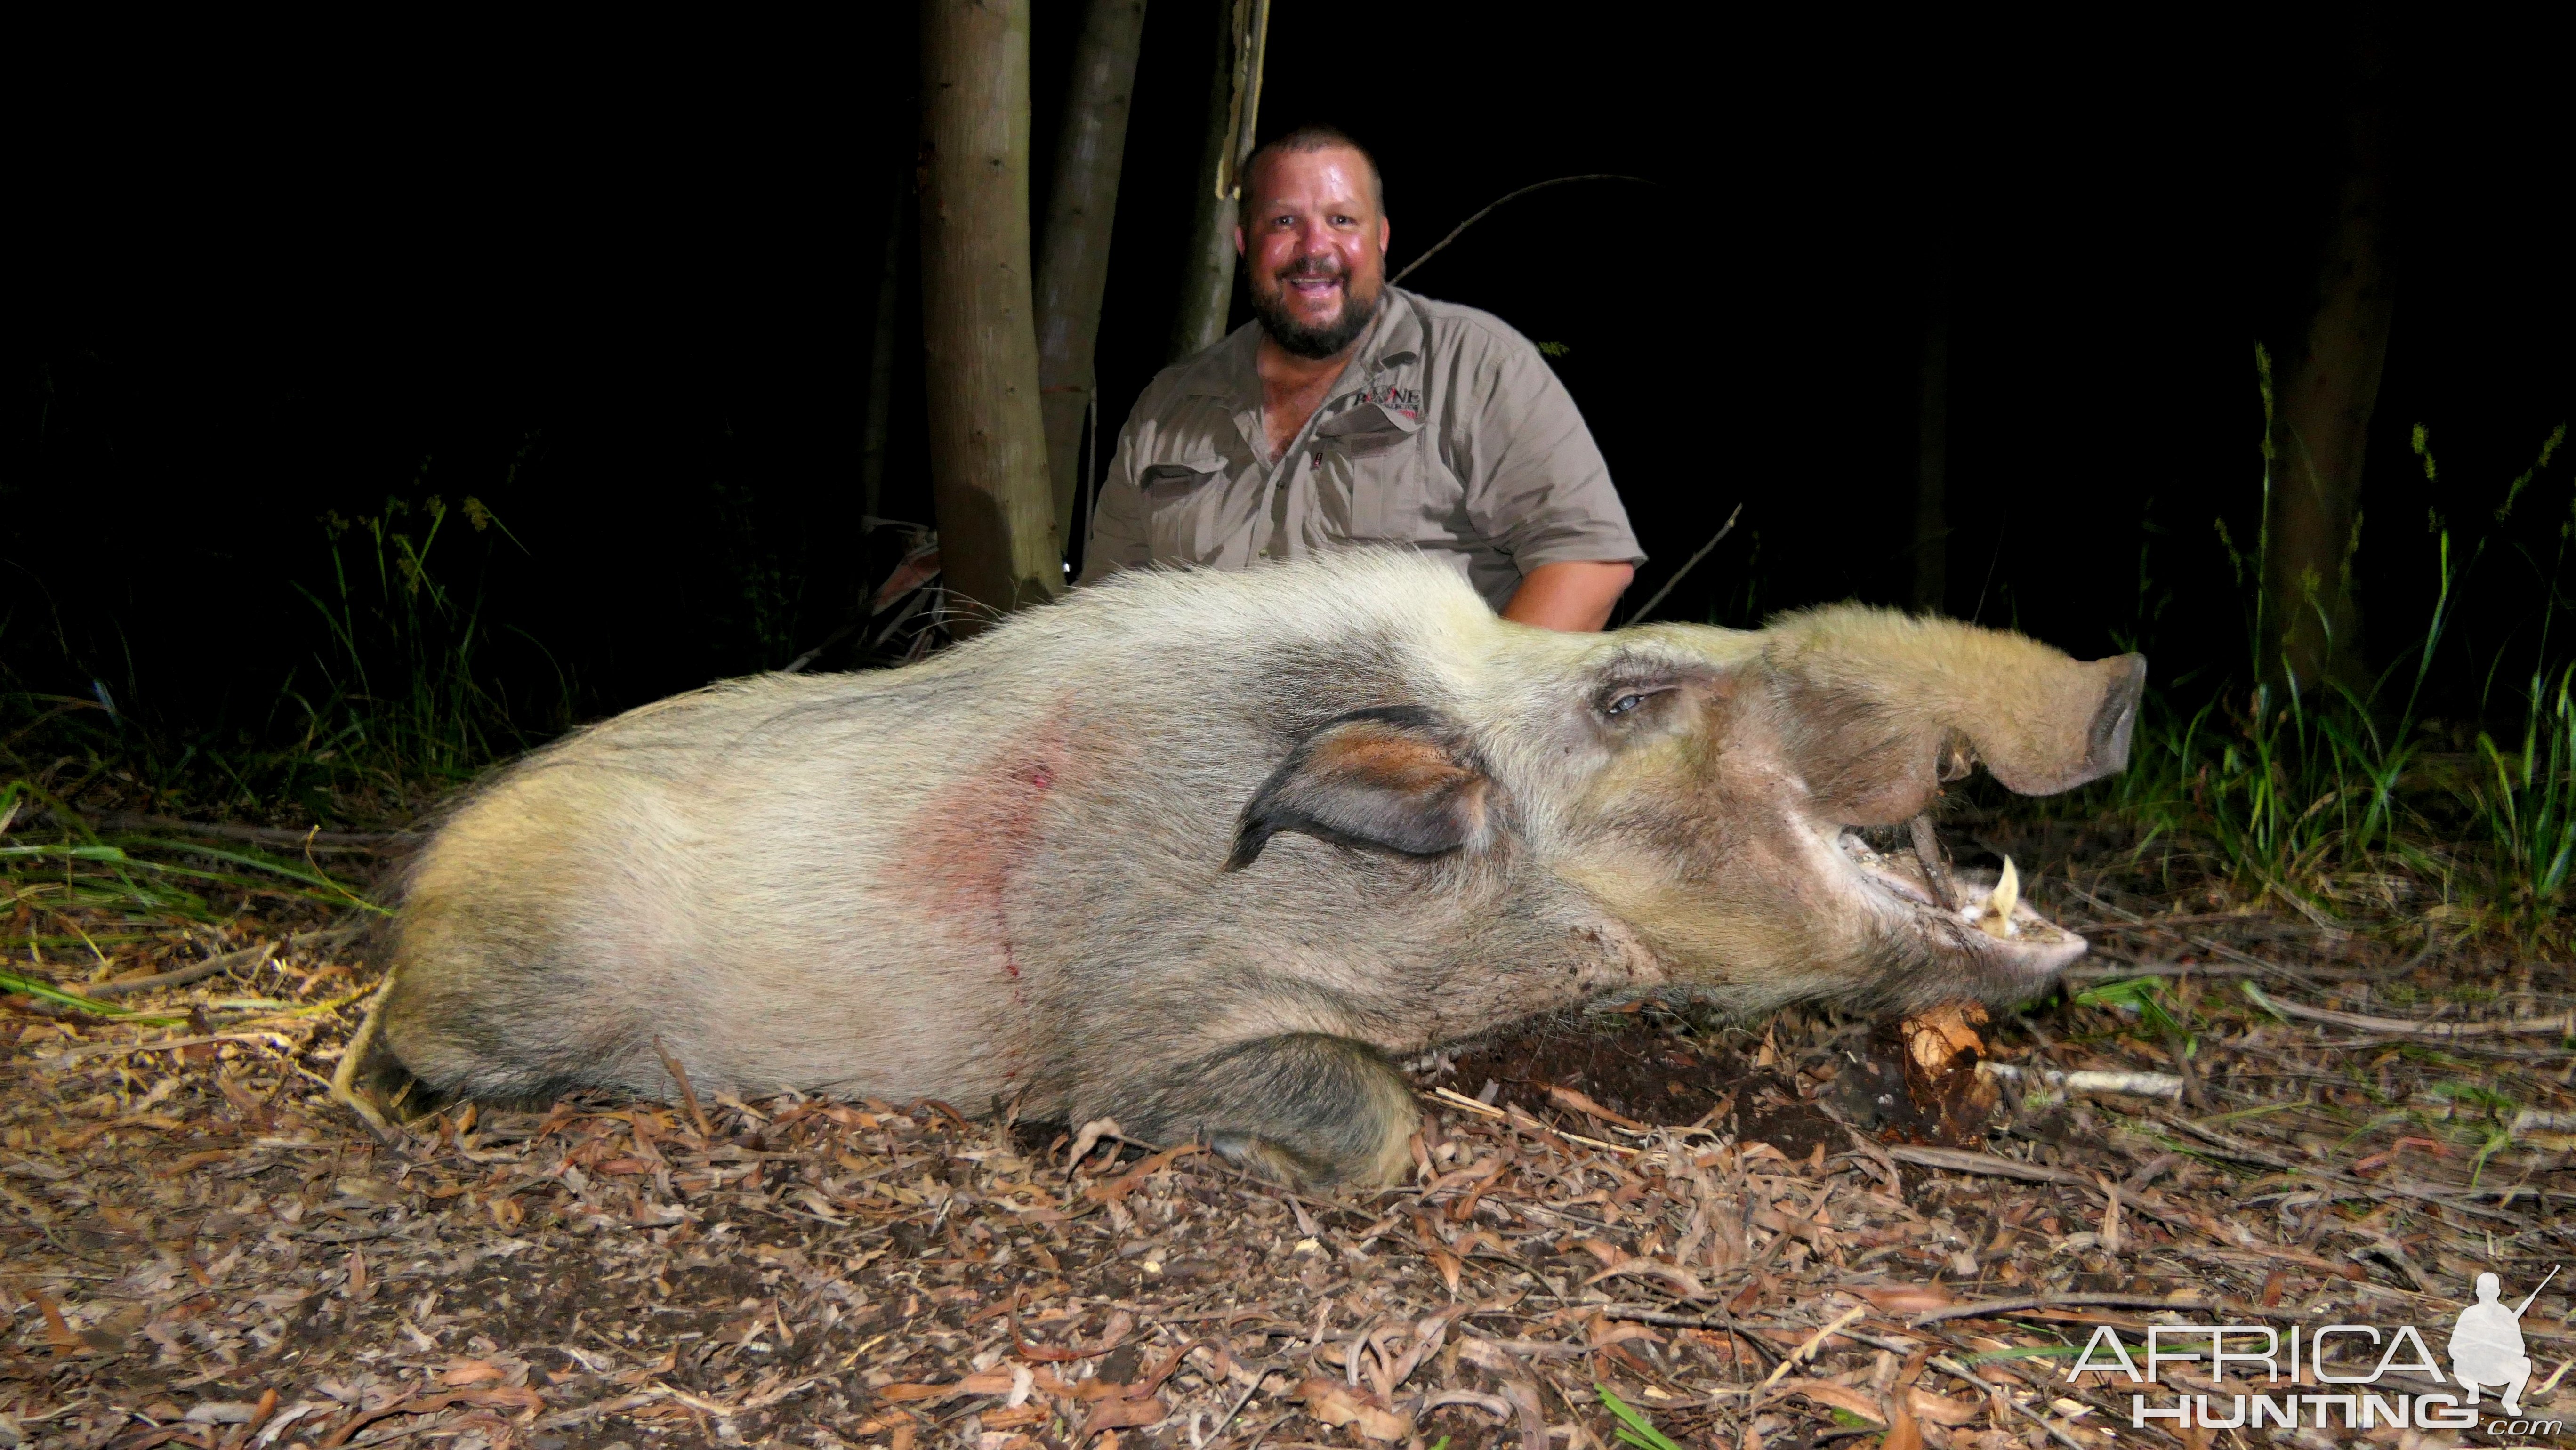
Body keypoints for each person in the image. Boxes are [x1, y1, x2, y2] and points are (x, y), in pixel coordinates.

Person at [1078, 125, 1642, 631]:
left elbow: (1587, 564)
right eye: (1284, 222)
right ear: (1246, 244)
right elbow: (1104, 610)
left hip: (1416, 739)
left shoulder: (1475, 365)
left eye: (1342, 220)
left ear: (1382, 239)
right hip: (1207, 740)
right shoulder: (1168, 408)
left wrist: (1465, 734)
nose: (1315, 248)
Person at [2448, 1271, 2535, 1414]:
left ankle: (2510, 1401)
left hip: (2497, 1368)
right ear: (2478, 1292)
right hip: (2473, 1368)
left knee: (2525, 1364)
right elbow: (2454, 1348)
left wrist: (2504, 1346)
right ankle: (2473, 1393)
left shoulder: (2506, 1315)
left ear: (2498, 1292)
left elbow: (2520, 1349)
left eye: (2492, 1290)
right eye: (2484, 1290)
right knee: (2460, 1364)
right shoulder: (2469, 1314)